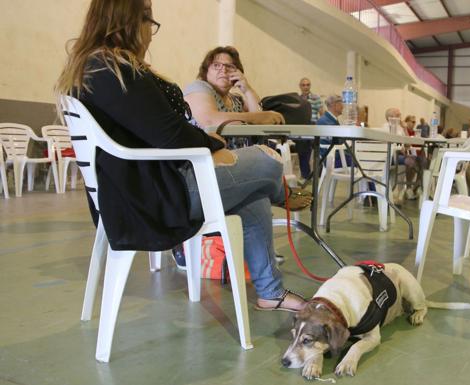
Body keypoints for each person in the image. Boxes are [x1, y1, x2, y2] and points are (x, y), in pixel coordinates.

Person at [55, 0, 308, 312]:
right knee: (268, 158)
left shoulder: (97, 68)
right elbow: (171, 134)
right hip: (156, 199)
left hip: (144, 191)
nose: (151, 31)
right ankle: (281, 193)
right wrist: (213, 145)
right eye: (149, 20)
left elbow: (160, 131)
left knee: (254, 192)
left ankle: (271, 292)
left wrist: (210, 148)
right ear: (129, 20)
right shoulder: (113, 70)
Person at [184, 46, 284, 149]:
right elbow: (209, 120)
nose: (223, 70)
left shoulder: (236, 99)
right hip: (204, 157)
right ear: (206, 71)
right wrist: (257, 117)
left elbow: (261, 123)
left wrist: (247, 90)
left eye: (230, 66)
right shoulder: (198, 87)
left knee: (274, 155)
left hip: (234, 155)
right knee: (271, 158)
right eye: (216, 65)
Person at [293, 78, 322, 180]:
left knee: (319, 151)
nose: (306, 87)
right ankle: (305, 175)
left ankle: (318, 175)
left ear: (310, 86)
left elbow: (322, 113)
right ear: (300, 86)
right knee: (302, 151)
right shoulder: (297, 99)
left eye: (308, 85)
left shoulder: (316, 98)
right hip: (302, 128)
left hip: (314, 126)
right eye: (303, 85)